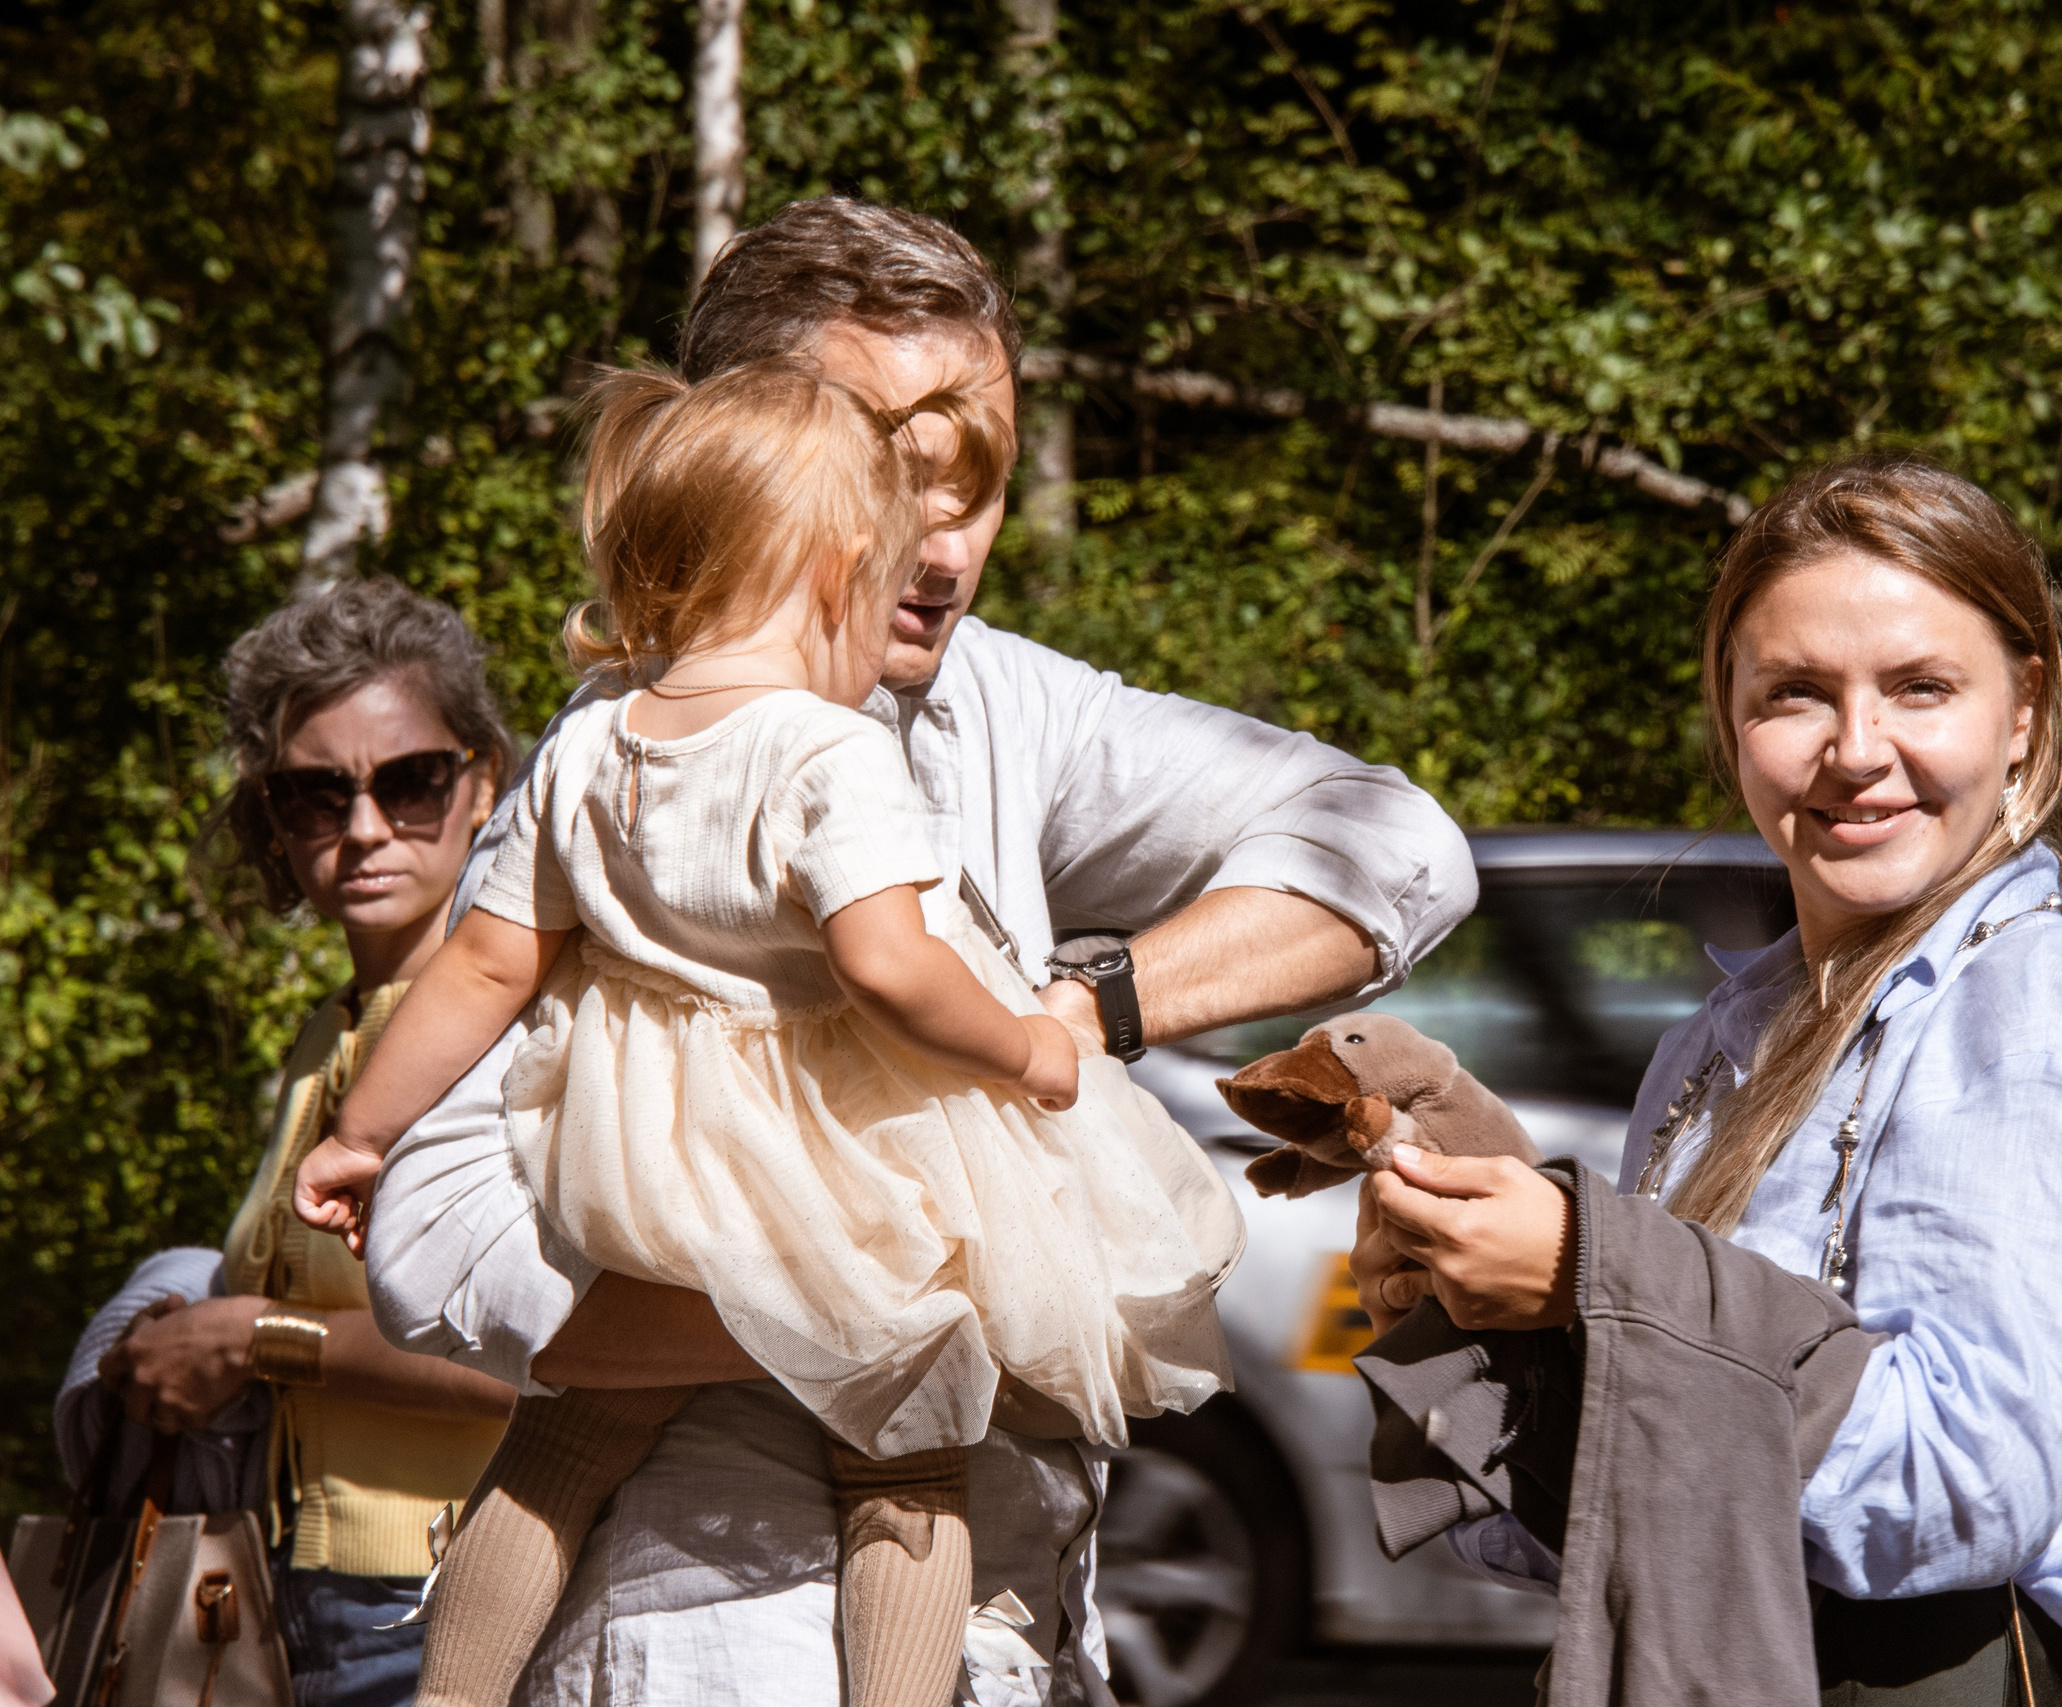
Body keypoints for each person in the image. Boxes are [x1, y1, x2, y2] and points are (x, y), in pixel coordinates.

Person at [359, 198, 1477, 1707]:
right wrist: (888, 1297)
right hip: (715, 1637)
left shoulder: (1007, 702)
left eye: (979, 481)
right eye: (889, 472)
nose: (940, 543)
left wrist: (1096, 1003)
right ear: (744, 470)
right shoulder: (620, 755)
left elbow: (1400, 845)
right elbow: (433, 1244)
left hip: (1018, 1632)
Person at [301, 358, 1239, 1707]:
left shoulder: (594, 743)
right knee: (909, 1453)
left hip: (642, 1160)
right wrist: (1029, 1046)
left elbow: (480, 966)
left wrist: (360, 1130)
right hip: (836, 1160)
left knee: (566, 1445)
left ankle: (450, 1695)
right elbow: (891, 967)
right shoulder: (828, 751)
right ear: (838, 571)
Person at [1352, 457, 2062, 1706]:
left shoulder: (2035, 1013)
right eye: (1795, 695)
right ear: (1729, 719)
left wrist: (1595, 1280)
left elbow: (1960, 1493)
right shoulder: (1723, 1041)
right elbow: (1629, 1505)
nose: (1856, 751)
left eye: (1922, 688)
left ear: (2024, 711)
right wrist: (1476, 1313)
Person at [90, 580, 521, 1707]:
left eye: (412, 781)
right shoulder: (321, 1035)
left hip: (452, 1596)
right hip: (298, 1593)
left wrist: (259, 1338)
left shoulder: (516, 1033)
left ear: (483, 784)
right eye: (316, 795)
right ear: (274, 824)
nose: (365, 828)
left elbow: (540, 1361)